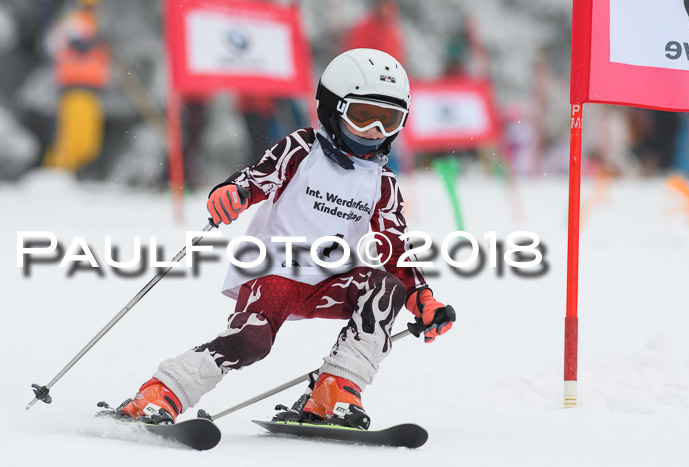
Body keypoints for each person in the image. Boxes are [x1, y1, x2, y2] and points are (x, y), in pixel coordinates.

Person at [117, 49, 455, 430]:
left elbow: (394, 244)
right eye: (363, 115)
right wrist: (232, 194)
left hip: (331, 281)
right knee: (252, 340)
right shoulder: (302, 149)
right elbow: (255, 179)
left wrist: (421, 297)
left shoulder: (382, 181)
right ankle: (161, 392)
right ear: (333, 108)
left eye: (388, 119)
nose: (376, 129)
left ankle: (335, 391)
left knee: (385, 289)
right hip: (275, 271)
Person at [43, 0, 110, 172]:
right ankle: (57, 172)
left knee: (89, 143)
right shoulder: (71, 22)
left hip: (93, 89)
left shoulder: (99, 23)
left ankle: (70, 173)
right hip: (74, 87)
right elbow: (52, 44)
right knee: (72, 137)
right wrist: (80, 43)